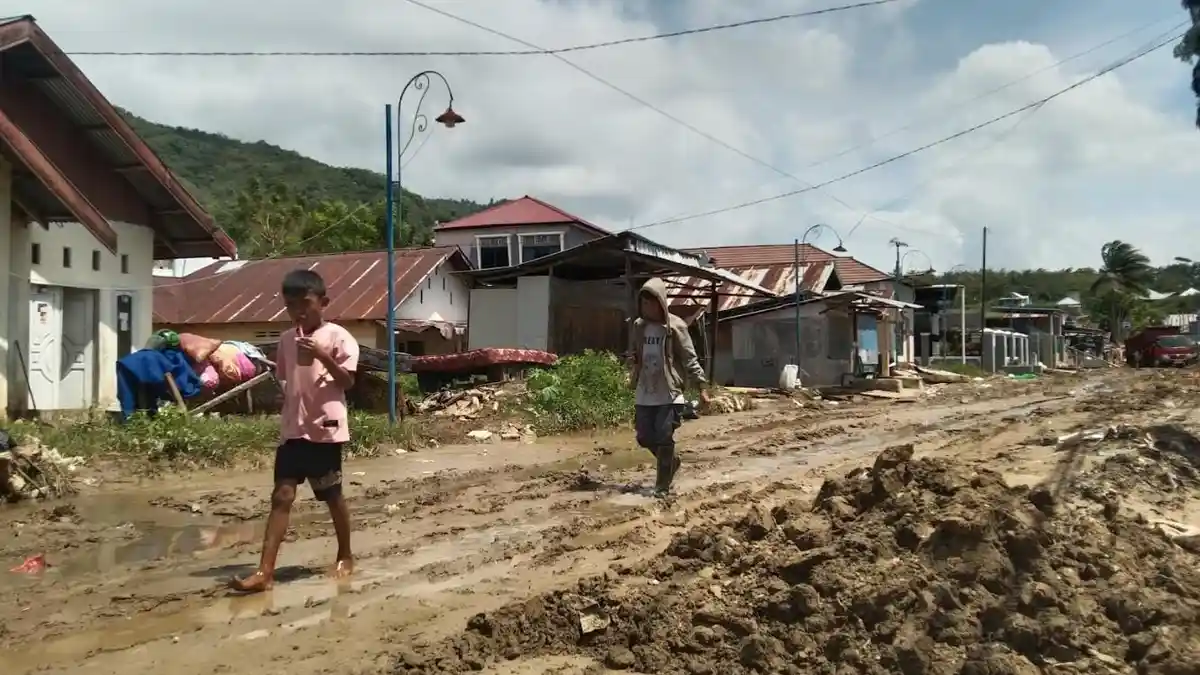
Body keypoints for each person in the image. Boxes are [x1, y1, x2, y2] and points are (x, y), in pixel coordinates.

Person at [230, 269, 359, 593]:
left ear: (323, 302)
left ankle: (345, 553)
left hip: (324, 429)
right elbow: (288, 379)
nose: (299, 312)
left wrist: (321, 355)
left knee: (331, 495)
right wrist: (283, 398)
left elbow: (347, 382)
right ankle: (264, 572)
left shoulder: (339, 337)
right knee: (281, 495)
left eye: (306, 304)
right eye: (291, 306)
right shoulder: (287, 340)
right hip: (293, 429)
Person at [630, 277, 710, 496]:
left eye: (651, 303)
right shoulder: (639, 327)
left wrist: (701, 387)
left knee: (664, 436)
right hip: (645, 391)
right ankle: (671, 463)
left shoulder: (675, 327)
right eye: (643, 304)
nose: (647, 308)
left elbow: (689, 359)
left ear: (661, 303)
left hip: (669, 392)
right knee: (644, 437)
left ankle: (662, 487)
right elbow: (637, 353)